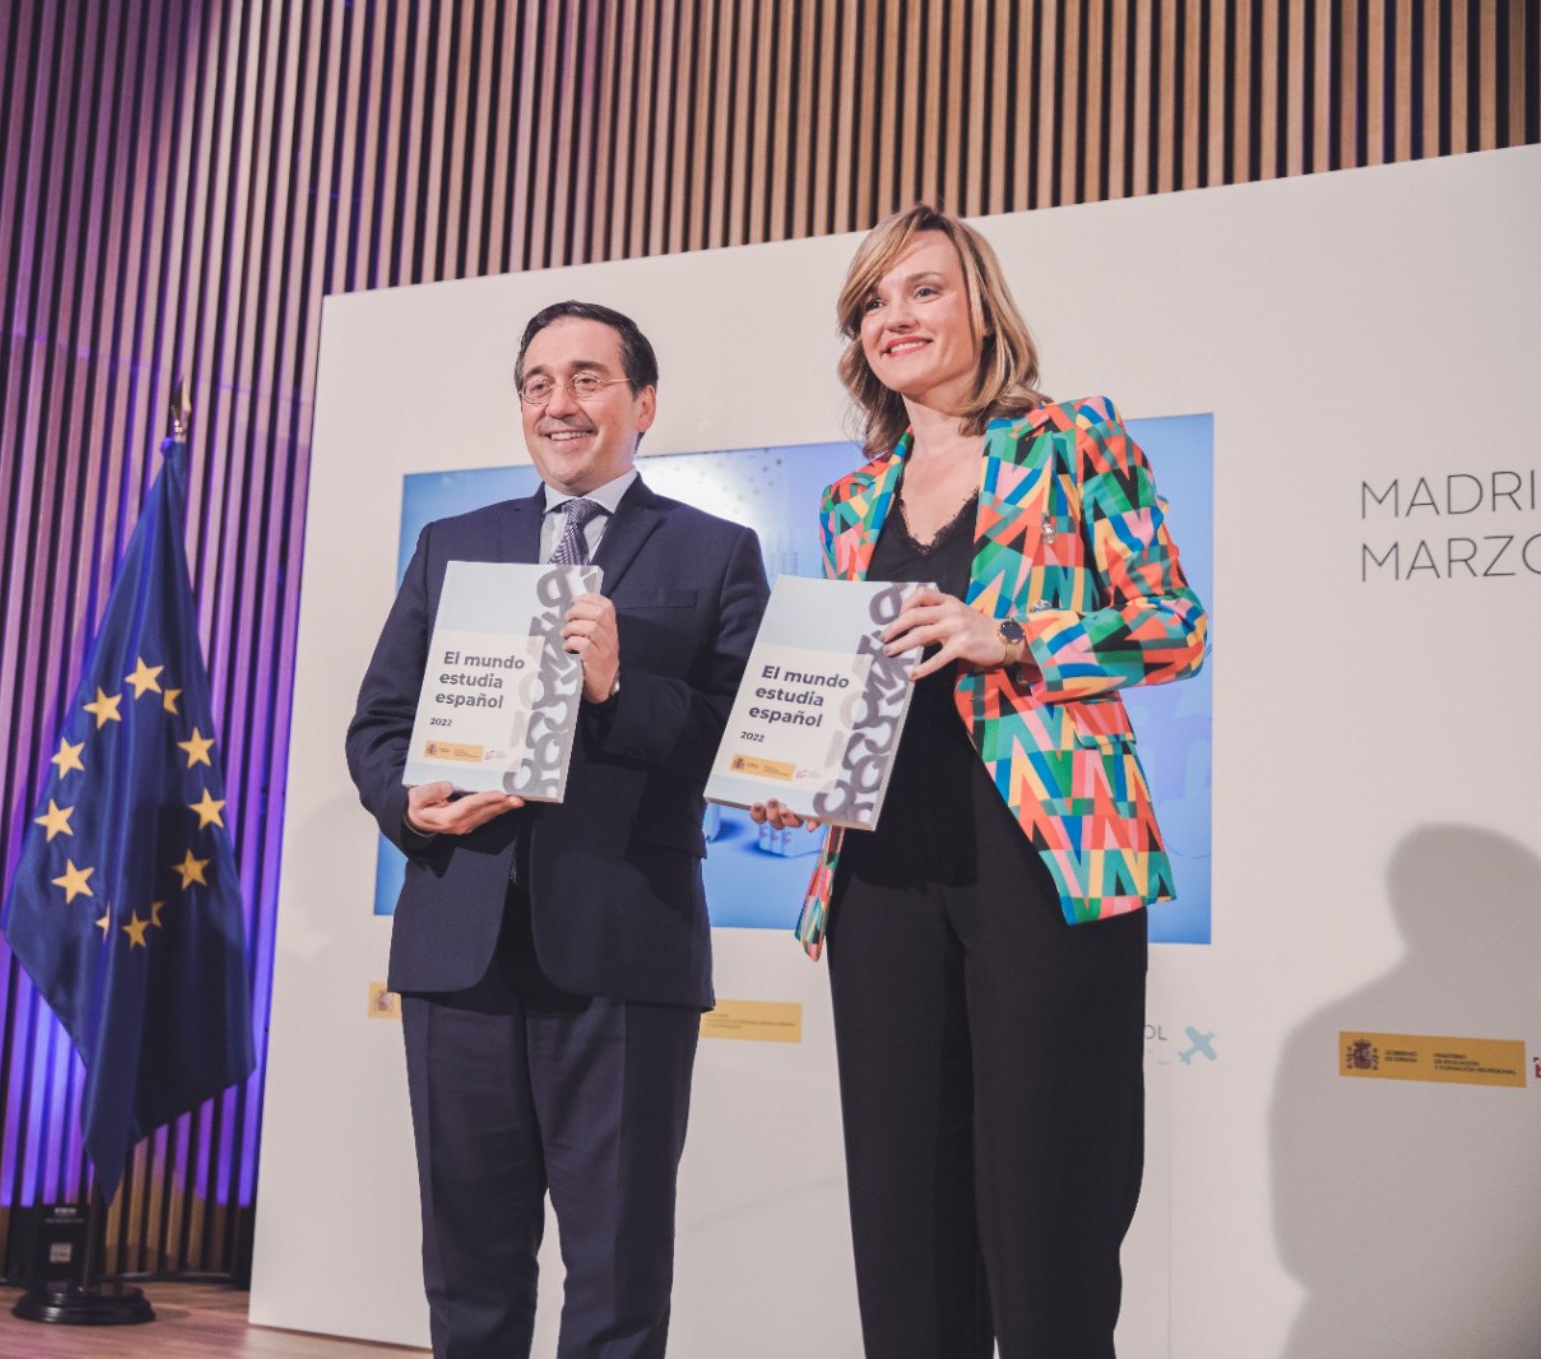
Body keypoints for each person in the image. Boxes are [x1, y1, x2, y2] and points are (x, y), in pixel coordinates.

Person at [752, 204, 1208, 1358]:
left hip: (1044, 862)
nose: (895, 317)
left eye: (924, 289)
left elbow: (1174, 627)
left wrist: (1012, 636)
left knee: (1049, 1205)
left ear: (981, 307)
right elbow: (854, 678)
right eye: (873, 301)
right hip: (878, 874)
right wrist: (800, 769)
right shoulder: (850, 500)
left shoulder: (1076, 441)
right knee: (901, 1213)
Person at [346, 301, 769, 1359]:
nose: (558, 403)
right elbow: (380, 725)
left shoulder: (718, 552)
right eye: (537, 383)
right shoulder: (454, 545)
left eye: (586, 378)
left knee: (618, 1278)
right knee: (469, 1275)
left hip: (624, 955)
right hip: (458, 949)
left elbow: (741, 741)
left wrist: (619, 686)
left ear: (644, 403)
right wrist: (406, 802)